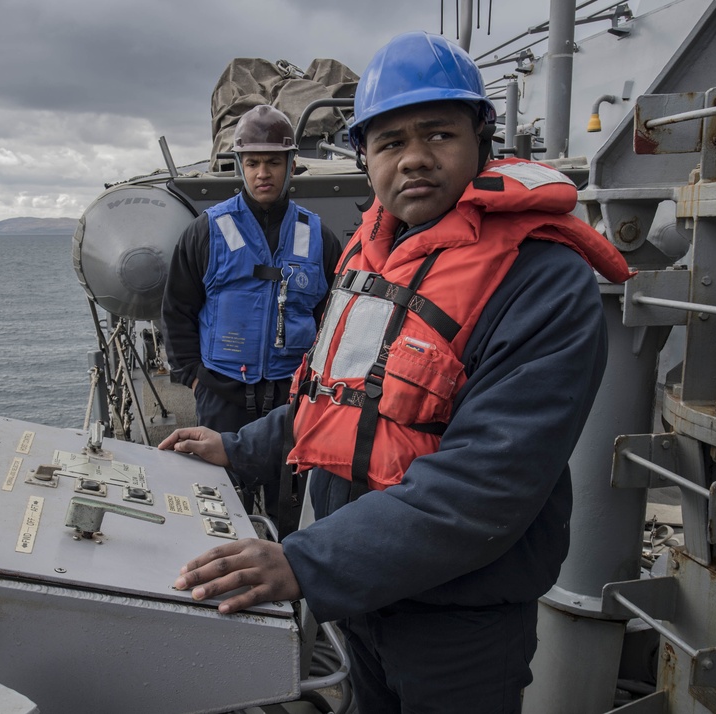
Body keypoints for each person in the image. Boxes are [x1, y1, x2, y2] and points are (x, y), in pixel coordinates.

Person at [159, 31, 632, 713]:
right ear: (365, 158)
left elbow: (486, 483)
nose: (413, 158)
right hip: (364, 594)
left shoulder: (543, 282)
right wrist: (236, 447)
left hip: (456, 621)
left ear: (480, 139)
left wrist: (303, 561)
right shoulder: (378, 256)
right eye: (389, 143)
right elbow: (343, 399)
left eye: (438, 135)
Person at [161, 104, 341, 517]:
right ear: (240, 165)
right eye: (253, 162)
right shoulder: (207, 230)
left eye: (274, 162)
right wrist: (193, 378)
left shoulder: (317, 236)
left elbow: (333, 316)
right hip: (222, 392)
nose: (264, 173)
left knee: (288, 508)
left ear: (291, 165)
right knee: (219, 506)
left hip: (288, 399)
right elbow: (178, 308)